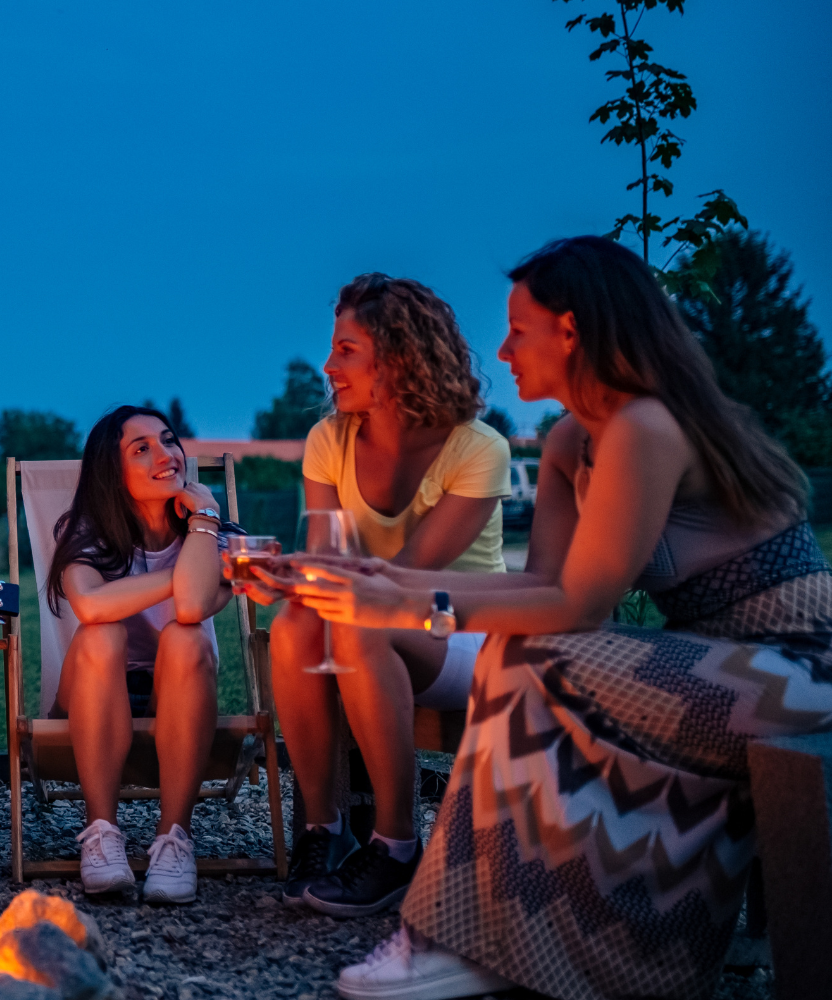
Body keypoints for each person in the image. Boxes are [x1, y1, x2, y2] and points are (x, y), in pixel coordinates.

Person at [280, 237, 832, 1000]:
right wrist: (387, 579)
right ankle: (492, 934)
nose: (501, 349)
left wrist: (407, 602)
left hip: (801, 669)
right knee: (519, 645)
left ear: (570, 332)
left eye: (518, 329)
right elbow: (543, 580)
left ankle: (452, 934)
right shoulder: (575, 436)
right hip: (714, 666)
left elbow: (582, 605)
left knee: (532, 654)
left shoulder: (644, 425)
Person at [239, 274, 511, 918]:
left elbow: (414, 575)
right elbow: (331, 560)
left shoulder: (478, 449)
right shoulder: (329, 441)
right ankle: (325, 832)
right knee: (298, 623)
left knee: (357, 620)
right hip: (364, 623)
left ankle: (396, 845)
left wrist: (313, 578)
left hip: (465, 631)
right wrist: (287, 578)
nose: (329, 366)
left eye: (346, 350)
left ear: (398, 356)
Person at [47, 405, 235, 904]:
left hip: (179, 692)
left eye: (169, 441)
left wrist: (205, 521)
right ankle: (101, 834)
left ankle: (174, 839)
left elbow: (194, 605)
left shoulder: (212, 532)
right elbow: (89, 604)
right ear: (113, 470)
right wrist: (180, 574)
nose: (166, 454)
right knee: (100, 634)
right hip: (95, 691)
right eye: (142, 448)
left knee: (186, 635)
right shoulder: (82, 530)